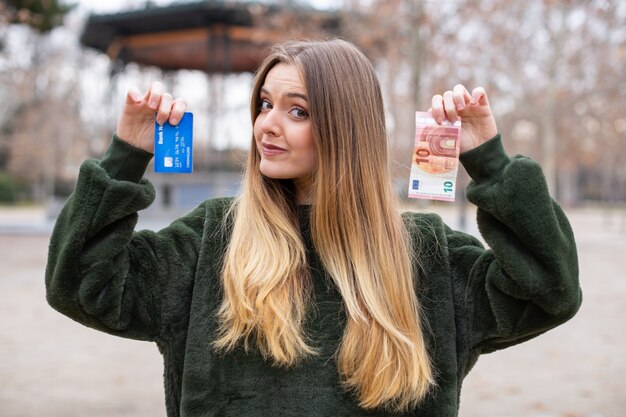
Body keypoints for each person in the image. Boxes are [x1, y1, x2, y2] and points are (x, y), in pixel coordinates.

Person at [45, 39, 581, 417]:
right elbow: (80, 287)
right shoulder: (211, 240)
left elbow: (550, 292)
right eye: (264, 104)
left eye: (296, 111)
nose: (266, 125)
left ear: (346, 129)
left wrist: (489, 161)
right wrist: (124, 156)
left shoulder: (429, 257)